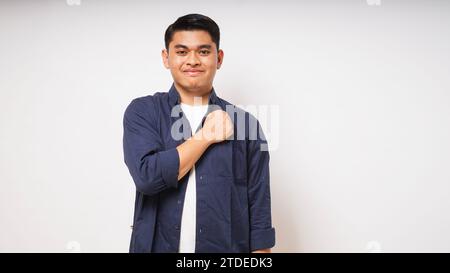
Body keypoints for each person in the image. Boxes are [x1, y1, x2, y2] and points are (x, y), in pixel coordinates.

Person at [123, 13, 275, 253]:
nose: (192, 60)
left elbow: (258, 209)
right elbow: (147, 177)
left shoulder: (246, 125)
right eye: (182, 52)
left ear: (219, 58)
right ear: (166, 57)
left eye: (203, 52)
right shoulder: (144, 112)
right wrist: (207, 136)